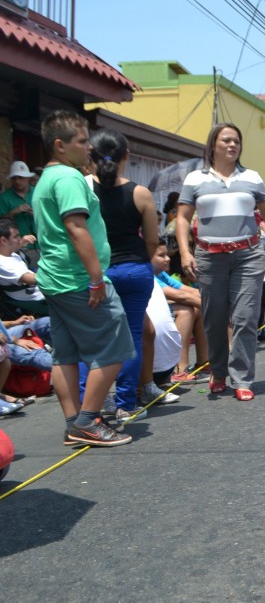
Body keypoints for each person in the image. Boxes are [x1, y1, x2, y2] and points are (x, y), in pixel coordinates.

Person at [33, 111, 135, 446]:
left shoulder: (46, 178)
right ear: (59, 145)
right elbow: (76, 228)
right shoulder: (68, 178)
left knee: (66, 354)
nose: (89, 146)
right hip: (78, 279)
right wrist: (95, 279)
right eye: (81, 141)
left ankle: (75, 422)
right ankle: (88, 422)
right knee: (115, 346)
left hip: (54, 278)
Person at [177, 123, 265, 402]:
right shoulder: (194, 179)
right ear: (213, 145)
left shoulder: (252, 177)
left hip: (248, 255)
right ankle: (218, 371)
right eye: (226, 140)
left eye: (236, 141)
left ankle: (242, 378)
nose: (232, 145)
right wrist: (185, 253)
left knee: (245, 318)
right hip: (209, 257)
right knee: (213, 320)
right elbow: (182, 218)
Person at [90, 128, 160, 423]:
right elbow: (153, 241)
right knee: (131, 335)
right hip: (134, 269)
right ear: (126, 157)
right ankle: (125, 404)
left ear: (90, 157)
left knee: (94, 338)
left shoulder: (83, 190)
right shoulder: (140, 193)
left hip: (98, 271)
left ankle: (93, 405)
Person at [151, 239, 209, 383]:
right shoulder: (148, 275)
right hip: (149, 319)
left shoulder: (161, 274)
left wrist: (216, 301)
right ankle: (179, 368)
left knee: (197, 309)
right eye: (161, 255)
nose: (168, 258)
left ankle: (204, 363)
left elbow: (191, 291)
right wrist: (215, 310)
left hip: (160, 314)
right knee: (186, 310)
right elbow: (180, 295)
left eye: (167, 254)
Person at [0, 219, 48, 317]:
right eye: (16, 236)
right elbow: (32, 279)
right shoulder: (2, 263)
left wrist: (21, 242)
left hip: (39, 291)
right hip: (37, 299)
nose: (20, 238)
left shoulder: (10, 254)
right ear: (4, 240)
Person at [0, 161, 38, 253]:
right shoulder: (4, 197)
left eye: (21, 178)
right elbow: (1, 223)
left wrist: (37, 214)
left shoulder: (38, 192)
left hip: (41, 243)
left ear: (28, 178)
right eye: (14, 178)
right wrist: (13, 212)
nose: (17, 181)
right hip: (18, 246)